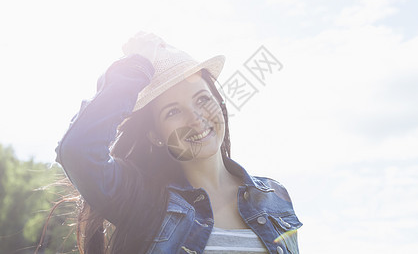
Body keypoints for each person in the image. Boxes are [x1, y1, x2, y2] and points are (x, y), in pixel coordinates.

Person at [55, 32, 302, 254]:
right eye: (173, 112)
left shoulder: (273, 196)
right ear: (155, 135)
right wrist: (135, 66)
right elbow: (78, 150)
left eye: (202, 99)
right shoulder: (144, 201)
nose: (196, 118)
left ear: (219, 103)